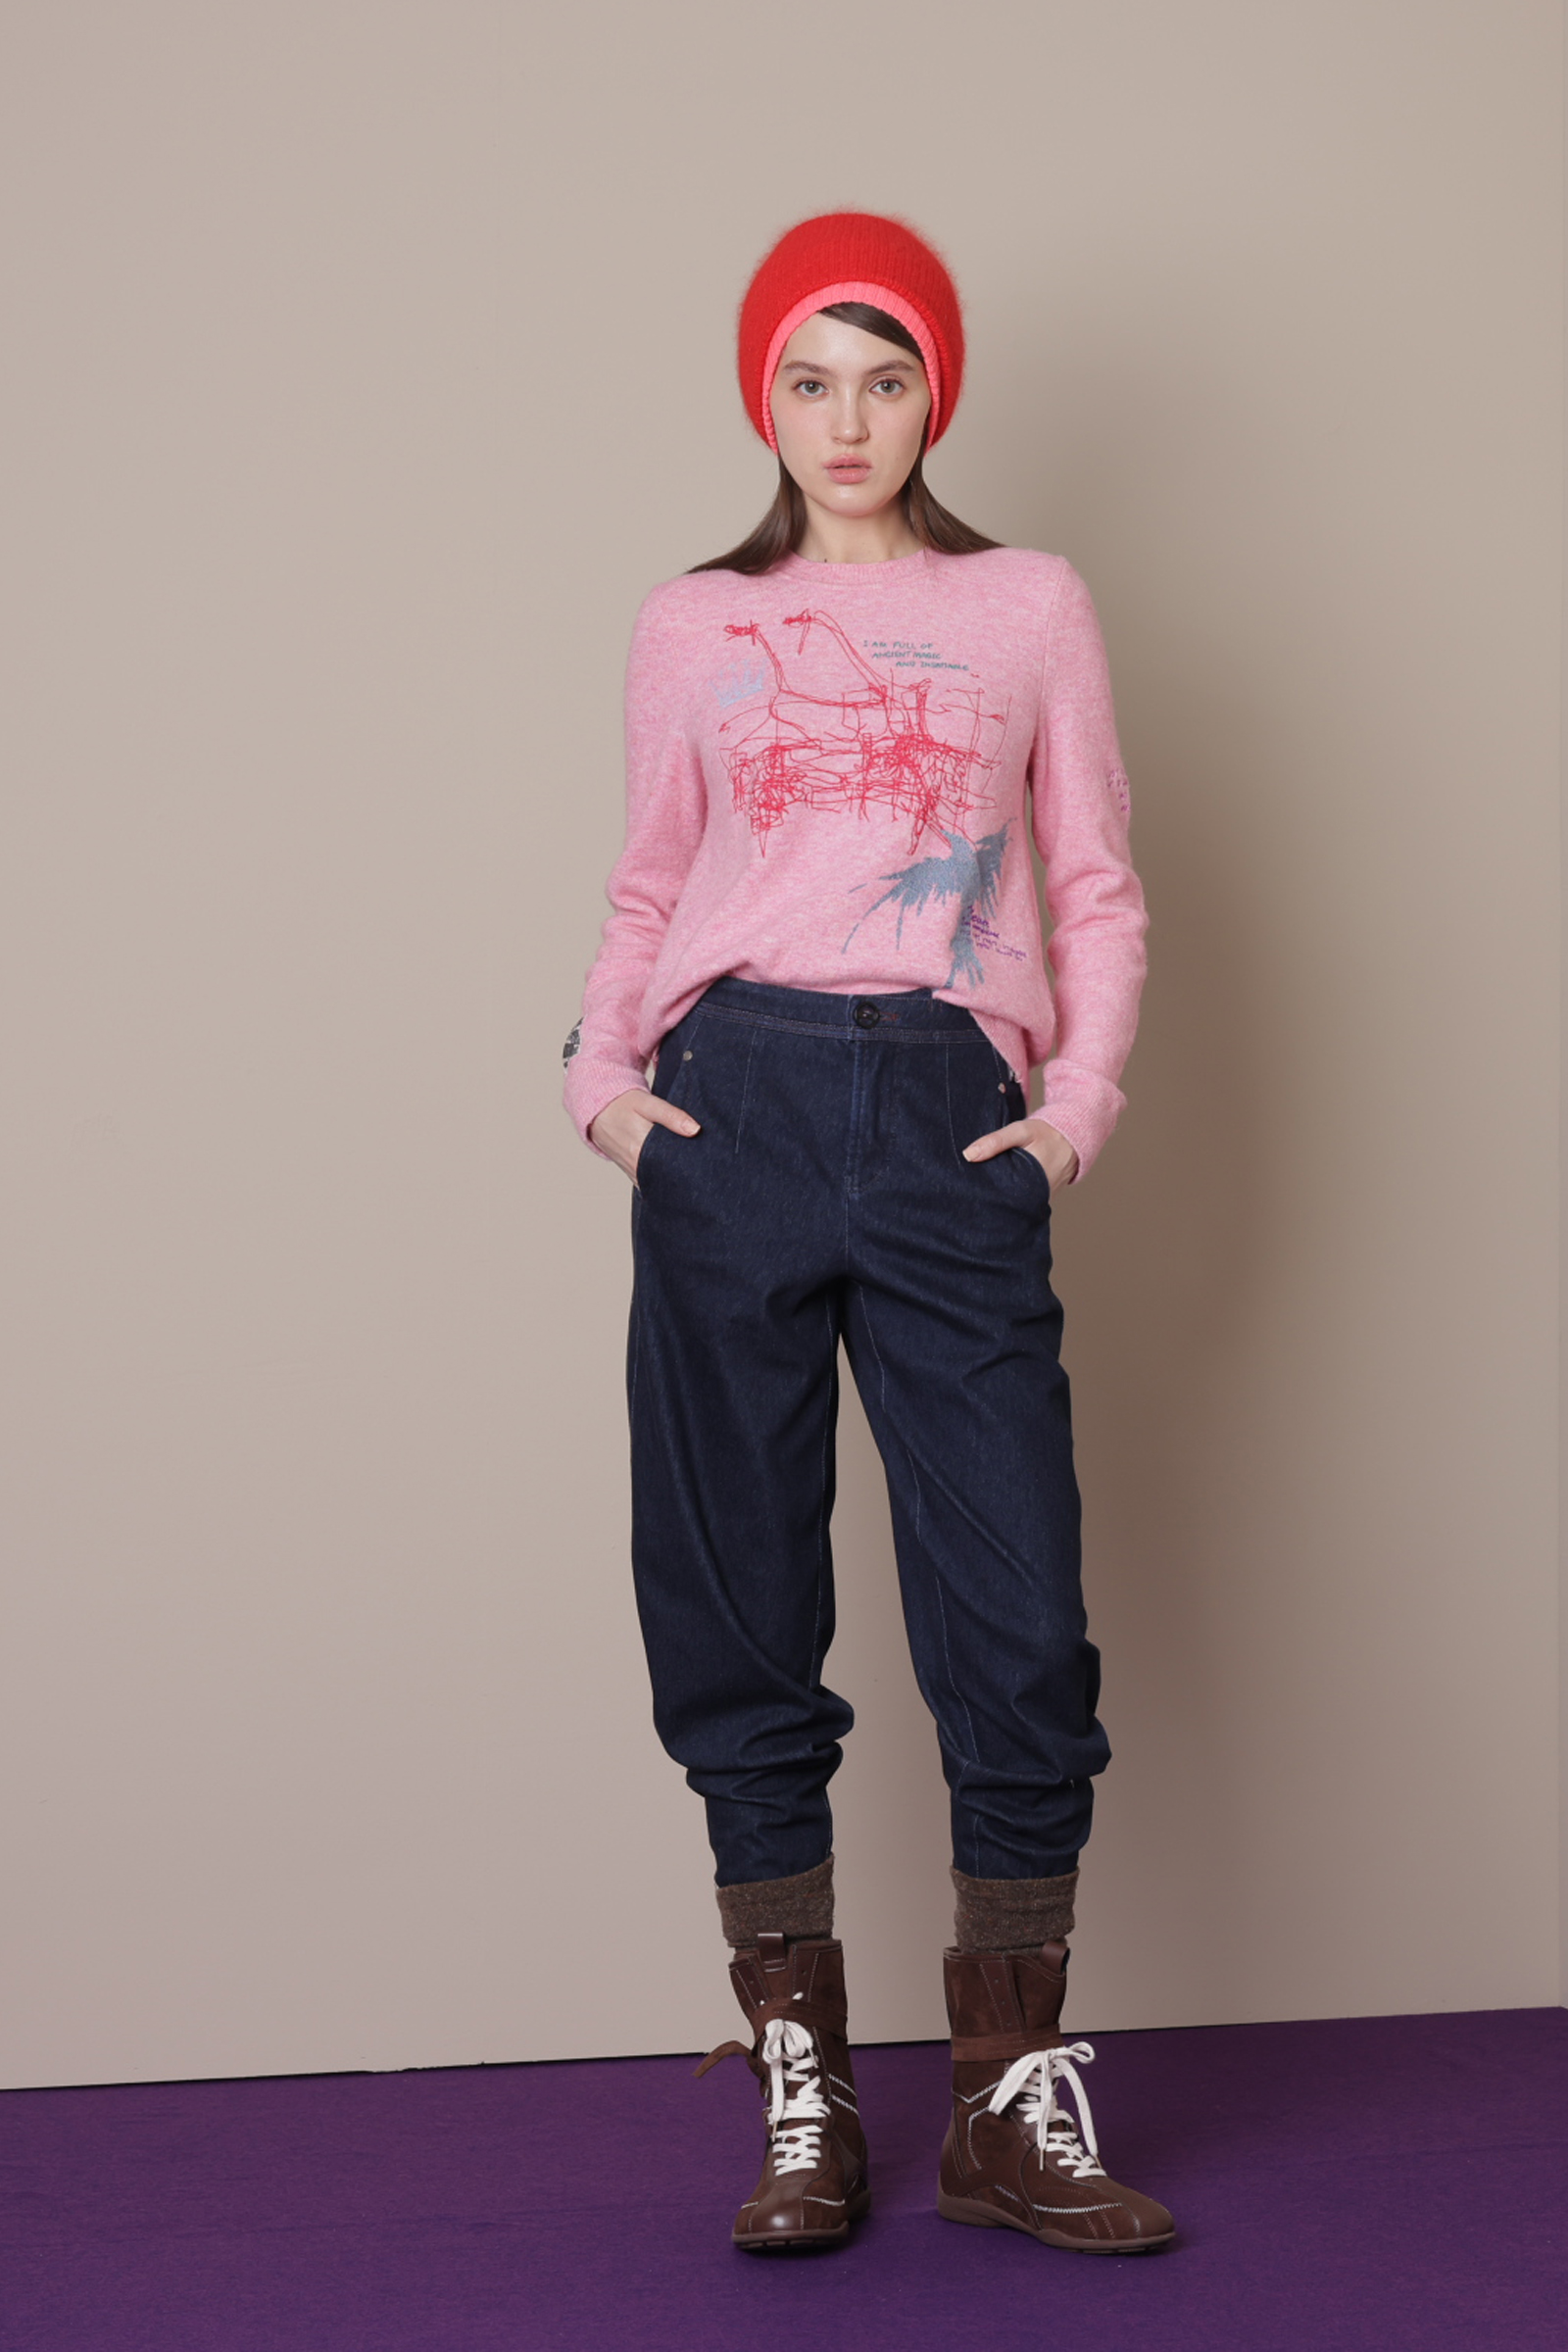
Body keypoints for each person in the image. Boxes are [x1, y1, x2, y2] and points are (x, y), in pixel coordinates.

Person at [563, 212, 1172, 2257]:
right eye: (807, 380)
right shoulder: (690, 623)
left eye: (885, 376)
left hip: (942, 1114)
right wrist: (600, 1080)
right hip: (727, 1103)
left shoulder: (1025, 605)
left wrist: (1071, 1109)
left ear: (936, 395)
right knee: (734, 1603)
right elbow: (651, 880)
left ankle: (1006, 2101)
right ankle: (801, 2094)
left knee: (1019, 1618)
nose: (846, 420)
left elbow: (1094, 878)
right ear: (763, 397)